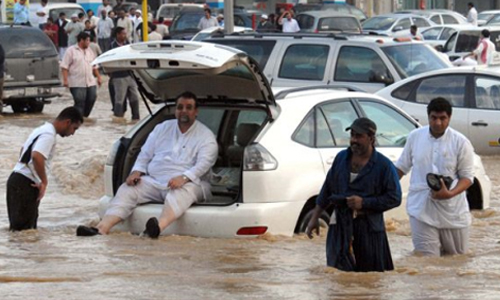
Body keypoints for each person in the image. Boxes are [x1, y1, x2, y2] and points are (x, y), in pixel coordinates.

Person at [76, 92, 219, 238]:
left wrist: (184, 177)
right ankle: (101, 229)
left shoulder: (205, 136)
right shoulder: (162, 128)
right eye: (180, 107)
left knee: (182, 192)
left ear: (196, 112)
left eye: (189, 107)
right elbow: (145, 153)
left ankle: (157, 228)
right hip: (156, 181)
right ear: (175, 110)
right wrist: (137, 171)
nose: (184, 111)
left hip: (190, 183)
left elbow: (205, 163)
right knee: (128, 189)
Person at [306, 118, 401, 272]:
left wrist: (364, 203)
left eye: (359, 136)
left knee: (369, 278)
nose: (353, 140)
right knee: (337, 275)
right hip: (340, 226)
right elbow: (327, 188)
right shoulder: (341, 158)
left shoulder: (384, 166)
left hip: (369, 230)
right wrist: (315, 217)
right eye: (352, 135)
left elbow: (394, 198)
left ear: (371, 138)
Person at [395, 98, 474, 257]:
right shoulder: (415, 137)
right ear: (428, 117)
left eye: (442, 118)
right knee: (426, 262)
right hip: (421, 209)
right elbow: (401, 168)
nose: (438, 122)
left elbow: (467, 178)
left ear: (449, 118)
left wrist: (449, 193)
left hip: (453, 212)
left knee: (456, 260)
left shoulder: (461, 142)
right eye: (434, 118)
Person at [6, 107, 83, 231]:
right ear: (67, 122)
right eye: (74, 128)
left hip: (17, 179)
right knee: (25, 232)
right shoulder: (48, 135)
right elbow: (36, 156)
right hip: (25, 184)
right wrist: (44, 182)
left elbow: (23, 150)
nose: (73, 133)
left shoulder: (41, 129)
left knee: (20, 233)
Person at [61, 32, 102, 118]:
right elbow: (64, 66)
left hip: (90, 82)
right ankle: (78, 119)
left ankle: (84, 117)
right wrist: (65, 80)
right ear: (81, 40)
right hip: (76, 82)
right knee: (79, 102)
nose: (89, 42)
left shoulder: (90, 51)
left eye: (89, 40)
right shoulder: (71, 51)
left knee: (92, 99)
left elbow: (94, 66)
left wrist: (98, 77)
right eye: (87, 40)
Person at [109, 26, 140, 122]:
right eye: (123, 34)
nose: (125, 35)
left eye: (125, 33)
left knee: (135, 97)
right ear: (118, 35)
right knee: (119, 99)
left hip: (130, 75)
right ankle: (118, 118)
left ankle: (136, 118)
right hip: (118, 76)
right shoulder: (112, 46)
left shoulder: (128, 45)